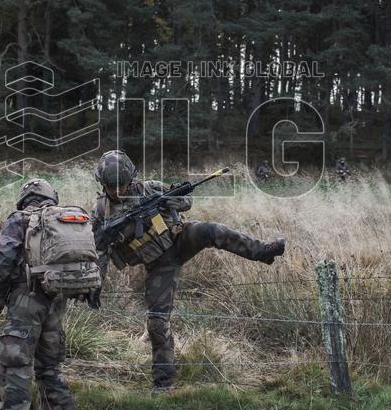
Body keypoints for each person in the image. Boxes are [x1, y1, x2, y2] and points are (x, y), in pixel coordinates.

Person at [89, 150, 286, 394]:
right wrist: (95, 285)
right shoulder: (101, 211)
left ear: (131, 178)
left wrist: (173, 202)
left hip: (180, 239)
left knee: (212, 230)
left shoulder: (150, 188)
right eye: (111, 186)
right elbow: (99, 251)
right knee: (157, 321)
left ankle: (263, 252)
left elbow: (186, 200)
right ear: (102, 184)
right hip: (159, 265)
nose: (118, 190)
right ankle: (163, 384)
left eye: (122, 184)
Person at [0, 178, 74, 410]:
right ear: (51, 196)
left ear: (23, 199)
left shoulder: (19, 219)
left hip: (26, 298)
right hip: (57, 298)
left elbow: (4, 258)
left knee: (16, 364)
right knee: (50, 365)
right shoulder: (63, 218)